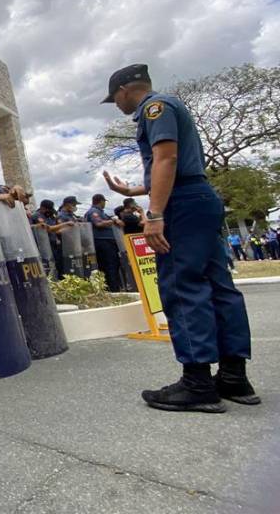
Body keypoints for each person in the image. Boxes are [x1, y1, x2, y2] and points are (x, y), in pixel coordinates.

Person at [102, 62, 259, 412]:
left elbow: (167, 159)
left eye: (115, 99)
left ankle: (197, 383)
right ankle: (234, 376)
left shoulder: (154, 108)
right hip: (199, 196)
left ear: (124, 90)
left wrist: (155, 214)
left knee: (182, 285)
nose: (117, 105)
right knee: (220, 286)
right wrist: (132, 190)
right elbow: (176, 166)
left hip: (181, 204)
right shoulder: (171, 105)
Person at [84, 194, 124, 292]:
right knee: (109, 266)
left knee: (113, 265)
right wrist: (113, 221)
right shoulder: (94, 211)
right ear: (101, 201)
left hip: (107, 242)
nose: (104, 204)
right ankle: (113, 289)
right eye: (104, 202)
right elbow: (98, 223)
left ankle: (113, 287)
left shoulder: (101, 212)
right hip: (102, 242)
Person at [31, 198, 75, 278]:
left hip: (53, 245)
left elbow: (55, 230)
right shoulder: (37, 216)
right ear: (42, 208)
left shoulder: (49, 216)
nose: (50, 212)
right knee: (47, 267)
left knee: (56, 266)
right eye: (48, 210)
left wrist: (69, 228)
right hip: (43, 247)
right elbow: (48, 229)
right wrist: (66, 224)